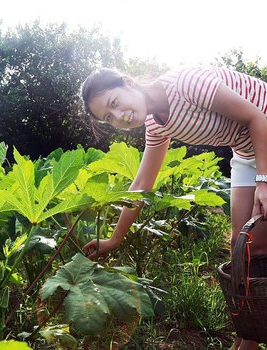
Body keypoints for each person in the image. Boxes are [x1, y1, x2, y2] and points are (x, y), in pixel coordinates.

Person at [80, 66, 267, 350]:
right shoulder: (156, 125)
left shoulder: (185, 84)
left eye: (114, 103)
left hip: (264, 129)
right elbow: (142, 183)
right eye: (109, 118)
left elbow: (257, 116)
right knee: (240, 247)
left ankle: (249, 343)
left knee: (257, 246)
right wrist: (114, 239)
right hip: (245, 151)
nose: (119, 117)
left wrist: (264, 181)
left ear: (128, 82)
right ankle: (247, 338)